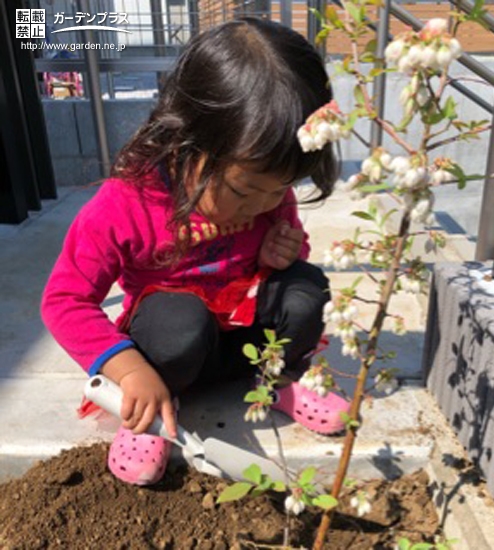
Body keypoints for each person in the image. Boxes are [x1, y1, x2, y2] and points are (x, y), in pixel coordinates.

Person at [42, 17, 349, 486]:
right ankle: (155, 407)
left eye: (280, 189)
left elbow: (291, 250)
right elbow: (64, 301)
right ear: (188, 142)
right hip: (178, 351)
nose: (266, 204)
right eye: (246, 193)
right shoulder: (126, 205)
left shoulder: (265, 188)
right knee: (177, 325)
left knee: (305, 289)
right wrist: (131, 371)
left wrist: (279, 255)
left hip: (247, 341)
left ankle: (277, 382)